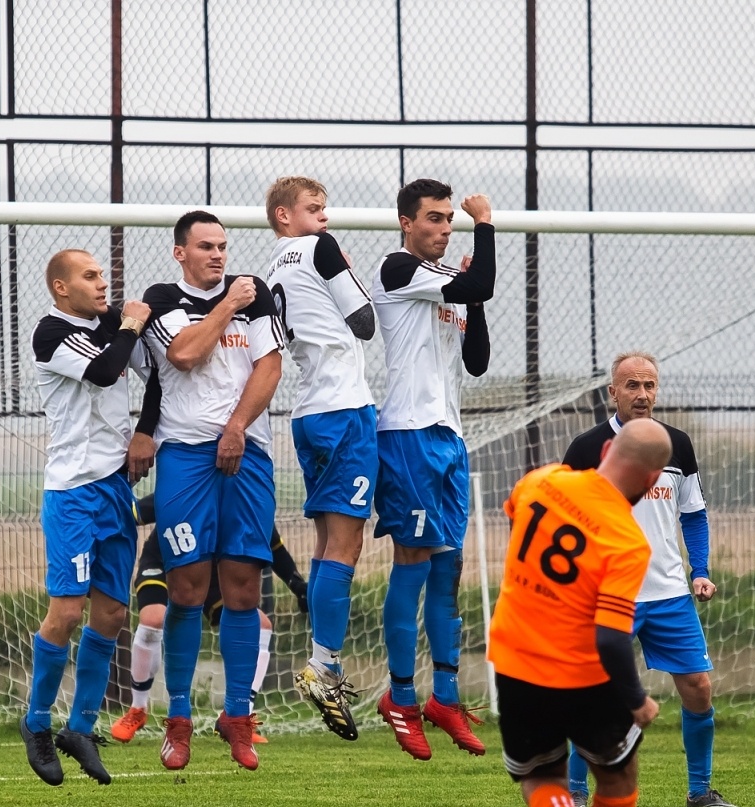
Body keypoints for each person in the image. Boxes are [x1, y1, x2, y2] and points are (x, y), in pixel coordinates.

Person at [487, 418, 672, 807]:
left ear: (607, 447)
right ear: (654, 482)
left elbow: (515, 517)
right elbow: (612, 640)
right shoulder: (629, 542)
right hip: (584, 674)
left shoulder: (542, 480)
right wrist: (637, 701)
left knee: (539, 777)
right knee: (616, 775)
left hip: (517, 663)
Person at [136, 211, 283, 772]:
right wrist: (226, 305)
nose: (218, 255)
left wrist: (238, 427)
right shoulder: (162, 298)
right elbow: (184, 355)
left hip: (247, 450)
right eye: (205, 247)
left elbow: (269, 367)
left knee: (244, 589)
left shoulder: (259, 293)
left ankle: (239, 717)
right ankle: (177, 721)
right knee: (188, 589)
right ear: (181, 253)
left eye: (223, 246)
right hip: (184, 456)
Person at [561, 352, 736, 807]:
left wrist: (700, 571)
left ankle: (700, 791)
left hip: (669, 595)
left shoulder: (677, 445)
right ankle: (575, 794)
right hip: (607, 595)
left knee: (698, 686)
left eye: (650, 385)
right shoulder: (585, 449)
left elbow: (694, 515)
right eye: (632, 385)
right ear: (612, 392)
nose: (642, 394)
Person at [370, 178, 494, 760]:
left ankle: (444, 697)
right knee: (413, 561)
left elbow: (477, 361)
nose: (446, 227)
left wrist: (470, 297)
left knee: (449, 567)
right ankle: (400, 696)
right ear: (407, 223)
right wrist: (485, 222)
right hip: (408, 435)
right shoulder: (399, 269)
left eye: (451, 219)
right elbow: (484, 281)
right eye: (436, 219)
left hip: (449, 436)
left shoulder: (446, 285)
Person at [18, 248, 151, 787]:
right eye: (89, 276)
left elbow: (155, 374)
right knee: (67, 612)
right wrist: (132, 324)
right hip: (72, 491)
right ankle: (35, 724)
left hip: (116, 489)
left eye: (103, 275)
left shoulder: (115, 325)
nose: (102, 284)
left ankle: (81, 729)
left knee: (114, 615)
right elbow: (104, 371)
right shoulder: (51, 333)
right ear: (61, 287)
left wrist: (146, 430)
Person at [264, 176, 378, 741]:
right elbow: (365, 323)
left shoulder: (272, 269)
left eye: (325, 210)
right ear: (284, 215)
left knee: (325, 543)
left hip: (309, 414)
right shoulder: (320, 249)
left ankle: (320, 657)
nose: (325, 219)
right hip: (344, 410)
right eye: (314, 209)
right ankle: (324, 664)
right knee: (347, 543)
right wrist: (349, 276)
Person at [111, 493, 310, 745]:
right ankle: (137, 709)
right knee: (153, 620)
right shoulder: (188, 486)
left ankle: (239, 717)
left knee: (261, 626)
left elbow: (273, 544)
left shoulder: (243, 494)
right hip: (165, 560)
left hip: (214, 572)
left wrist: (297, 584)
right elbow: (131, 514)